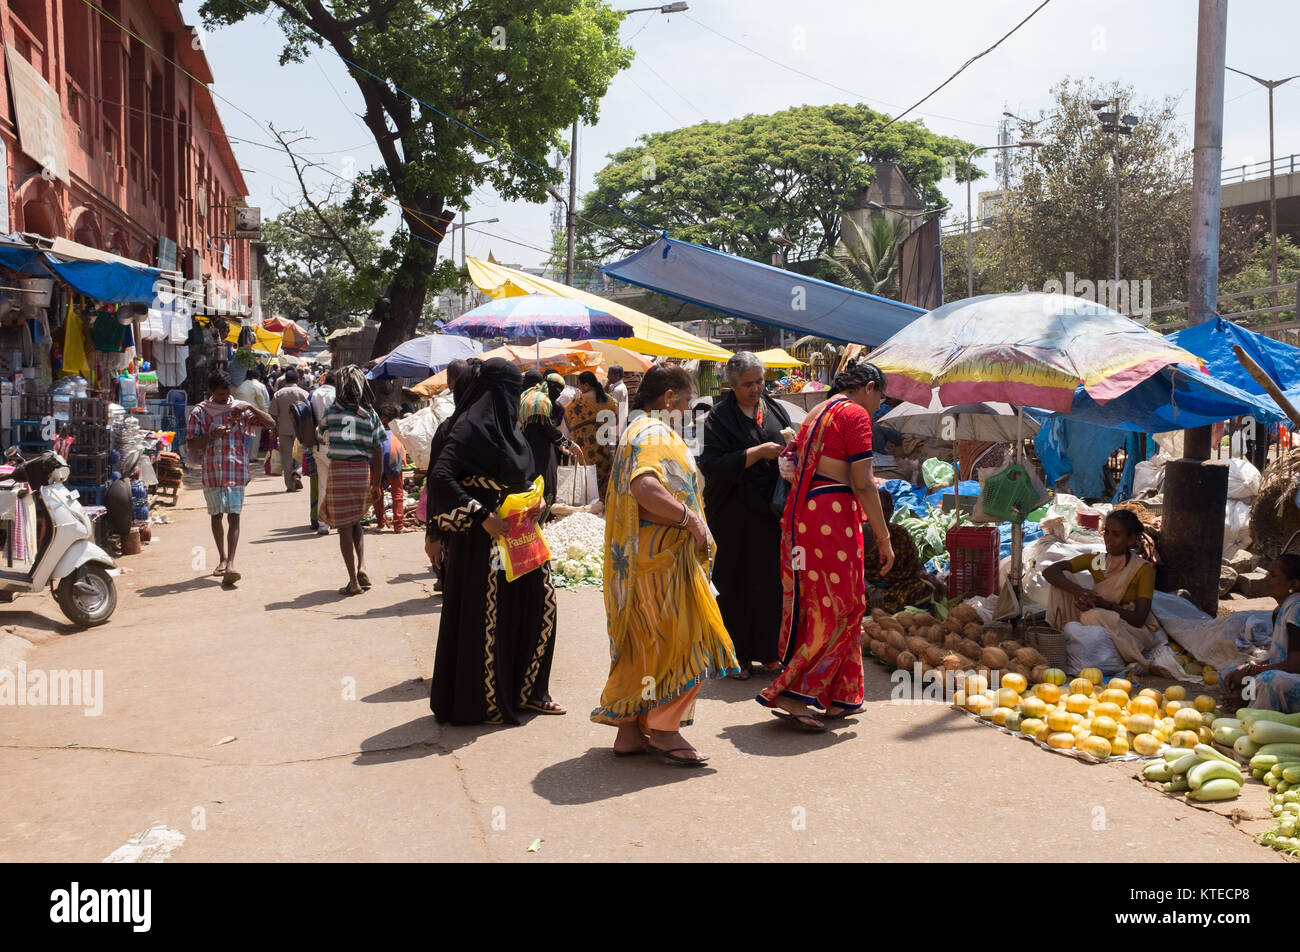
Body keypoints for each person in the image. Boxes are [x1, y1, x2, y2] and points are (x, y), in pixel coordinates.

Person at [594, 364, 739, 765]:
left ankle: (629, 730)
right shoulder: (654, 433)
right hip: (663, 561)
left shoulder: (634, 430)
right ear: (670, 397)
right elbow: (645, 487)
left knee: (642, 643)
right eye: (688, 400)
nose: (690, 409)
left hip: (642, 558)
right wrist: (689, 520)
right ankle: (663, 728)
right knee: (684, 640)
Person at [760, 361, 894, 731]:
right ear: (868, 387)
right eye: (879, 397)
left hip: (809, 512)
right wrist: (883, 538)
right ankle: (792, 691)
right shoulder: (853, 414)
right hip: (832, 514)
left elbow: (795, 457)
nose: (878, 406)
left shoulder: (819, 409)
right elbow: (864, 482)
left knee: (824, 600)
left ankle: (841, 695)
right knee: (842, 605)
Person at [427, 357, 562, 725]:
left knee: (540, 603)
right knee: (491, 619)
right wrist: (481, 515)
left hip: (522, 535)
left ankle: (530, 690)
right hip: (486, 546)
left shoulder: (509, 428)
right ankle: (488, 699)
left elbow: (525, 474)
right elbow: (440, 477)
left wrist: (537, 501)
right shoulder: (470, 427)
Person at [697, 351, 791, 680]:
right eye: (748, 384)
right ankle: (734, 657)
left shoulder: (774, 409)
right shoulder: (718, 419)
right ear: (732, 386)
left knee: (768, 584)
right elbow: (710, 465)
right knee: (733, 583)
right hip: (732, 515)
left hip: (768, 515)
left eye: (760, 382)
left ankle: (769, 653)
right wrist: (757, 453)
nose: (756, 389)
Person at [186, 369, 275, 588]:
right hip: (212, 470)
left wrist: (251, 406)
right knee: (216, 515)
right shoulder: (200, 412)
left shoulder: (240, 409)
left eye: (226, 396)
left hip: (236, 469)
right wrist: (211, 436)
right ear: (210, 392)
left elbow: (270, 423)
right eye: (219, 396)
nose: (224, 400)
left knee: (234, 515)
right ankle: (222, 558)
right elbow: (191, 444)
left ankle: (231, 564)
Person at [1043, 508, 1157, 664]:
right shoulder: (1098, 561)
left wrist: (1104, 605)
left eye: (1116, 535)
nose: (1108, 539)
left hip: (1125, 629)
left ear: (1131, 539)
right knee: (1064, 580)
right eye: (1107, 532)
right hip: (1094, 617)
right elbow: (1050, 571)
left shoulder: (1142, 569)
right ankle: (1061, 635)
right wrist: (1079, 592)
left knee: (1093, 616)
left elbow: (1139, 619)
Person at [317, 366, 384, 597]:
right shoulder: (370, 414)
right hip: (361, 471)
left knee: (344, 527)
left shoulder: (333, 411)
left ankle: (353, 581)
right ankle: (362, 565)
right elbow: (378, 449)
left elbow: (320, 431)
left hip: (339, 471)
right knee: (356, 521)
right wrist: (376, 482)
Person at [1223, 555, 1300, 713]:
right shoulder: (1281, 611)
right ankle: (1248, 699)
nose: (1266, 579)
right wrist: (1247, 669)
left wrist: (1251, 672)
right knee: (1228, 674)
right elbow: (1278, 657)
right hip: (1287, 674)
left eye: (1273, 575)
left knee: (1268, 680)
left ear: (1293, 584)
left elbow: (1295, 666)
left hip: (1292, 676)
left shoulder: (1296, 610)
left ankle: (1251, 707)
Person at [425, 359, 469, 592]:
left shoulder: (449, 428)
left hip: (454, 514)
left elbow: (437, 480)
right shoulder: (499, 429)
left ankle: (444, 577)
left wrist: (433, 531)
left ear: (452, 383)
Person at [864, 487, 942, 613]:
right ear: (868, 510)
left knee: (927, 589)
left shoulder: (900, 533)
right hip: (869, 588)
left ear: (892, 510)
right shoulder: (861, 534)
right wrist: (871, 590)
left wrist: (929, 577)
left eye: (886, 509)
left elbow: (915, 565)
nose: (882, 515)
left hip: (899, 586)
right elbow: (852, 571)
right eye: (878, 510)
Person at [519, 370, 578, 511]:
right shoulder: (541, 400)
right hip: (538, 450)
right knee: (544, 484)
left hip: (533, 447)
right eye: (557, 391)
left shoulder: (530, 395)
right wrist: (569, 444)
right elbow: (548, 427)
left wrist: (559, 444)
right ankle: (542, 518)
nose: (557, 395)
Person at [563, 370, 619, 500]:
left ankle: (587, 502)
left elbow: (567, 416)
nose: (579, 388)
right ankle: (602, 503)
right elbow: (614, 421)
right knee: (602, 475)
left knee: (586, 476)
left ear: (587, 385)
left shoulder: (578, 400)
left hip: (584, 448)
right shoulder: (610, 401)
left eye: (580, 384)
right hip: (602, 447)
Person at [269, 369, 308, 492]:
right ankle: (297, 472)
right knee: (300, 454)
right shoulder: (304, 394)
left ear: (285, 380)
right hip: (301, 430)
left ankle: (290, 486)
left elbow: (273, 415)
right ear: (298, 380)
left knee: (286, 457)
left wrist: (273, 430)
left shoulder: (278, 394)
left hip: (283, 429)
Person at [309, 371, 337, 535]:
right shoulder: (337, 395)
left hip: (318, 442)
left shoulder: (314, 394)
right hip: (336, 444)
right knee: (339, 486)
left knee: (323, 486)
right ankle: (339, 520)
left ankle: (322, 524)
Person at [374, 405, 407, 532]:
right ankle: (399, 525)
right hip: (394, 458)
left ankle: (380, 523)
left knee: (377, 492)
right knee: (397, 493)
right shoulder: (397, 436)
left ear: (383, 420)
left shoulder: (377, 434)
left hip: (376, 462)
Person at [233, 366, 270, 463]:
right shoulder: (259, 386)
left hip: (239, 414)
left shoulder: (241, 385)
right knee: (255, 435)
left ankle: (242, 455)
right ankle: (252, 456)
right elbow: (263, 402)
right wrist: (266, 416)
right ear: (258, 377)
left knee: (242, 436)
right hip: (253, 414)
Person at [607, 364, 629, 441]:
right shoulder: (620, 387)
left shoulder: (617, 390)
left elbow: (611, 407)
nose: (607, 377)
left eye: (609, 374)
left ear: (617, 375)